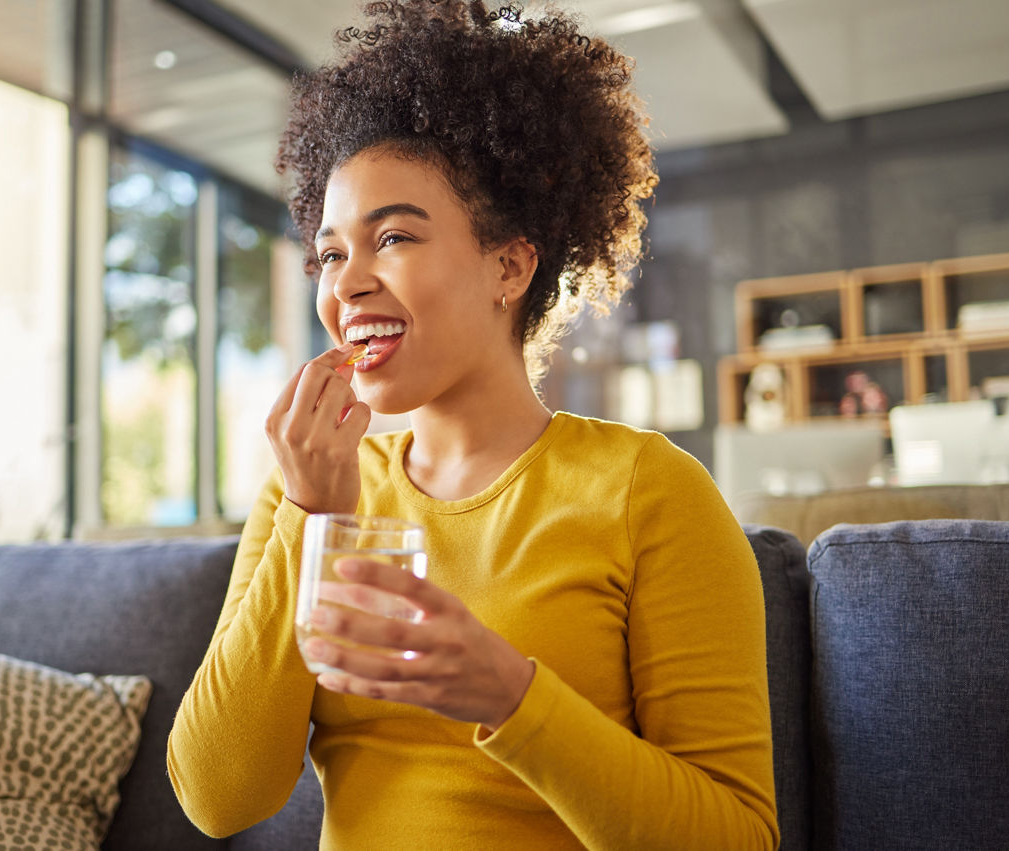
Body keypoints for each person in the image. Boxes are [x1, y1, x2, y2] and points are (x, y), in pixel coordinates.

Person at [168, 2, 779, 848]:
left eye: (394, 237)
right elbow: (218, 795)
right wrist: (311, 520)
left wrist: (509, 693)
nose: (346, 285)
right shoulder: (307, 492)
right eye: (332, 252)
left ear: (510, 265)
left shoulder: (648, 491)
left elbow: (737, 836)